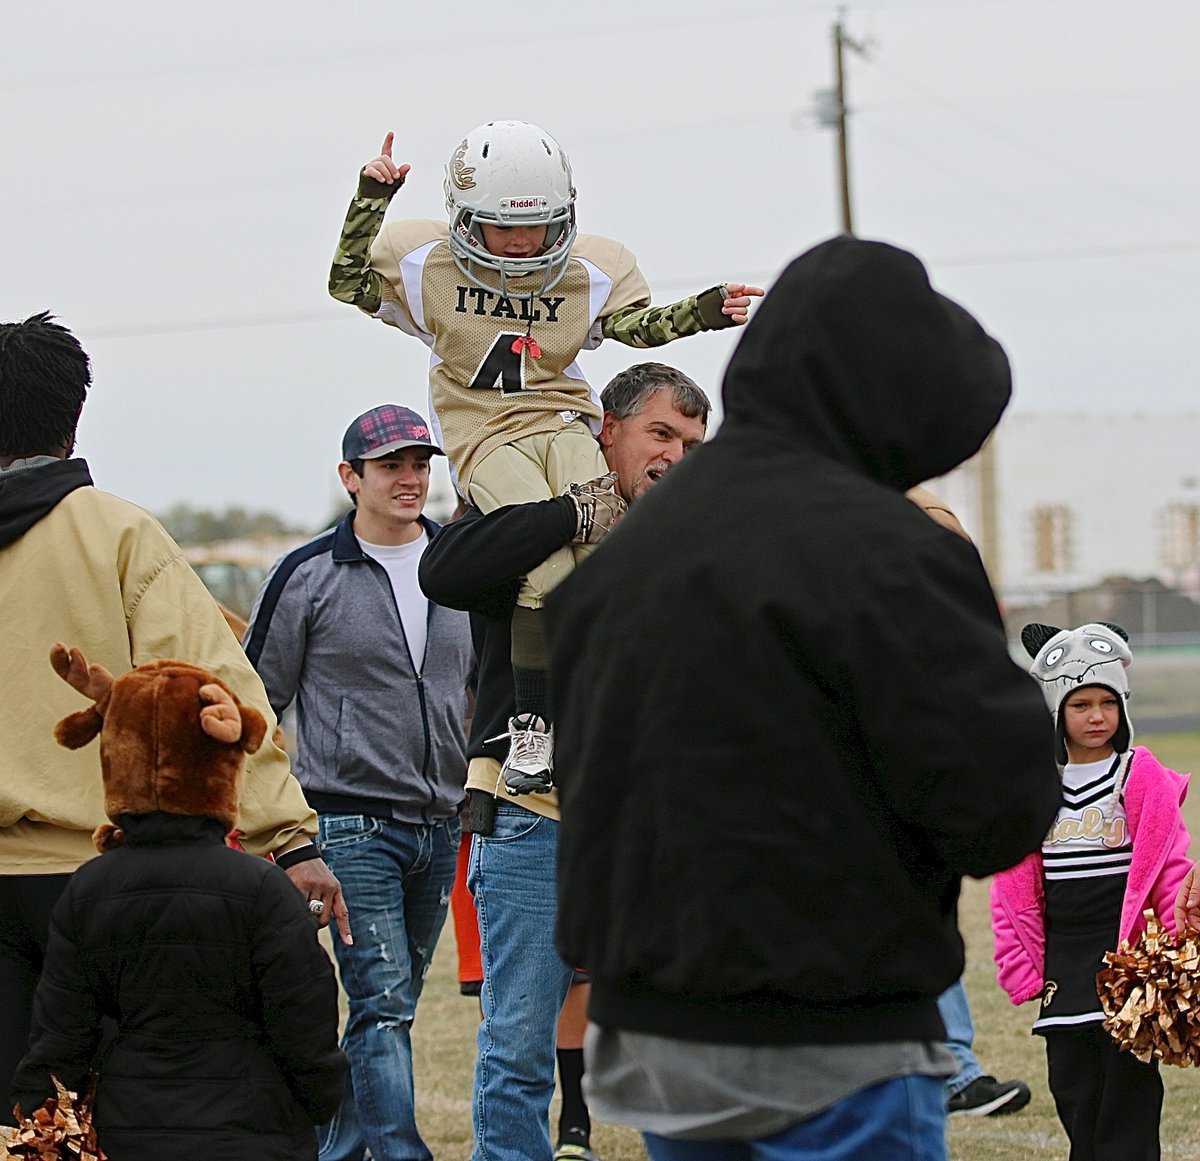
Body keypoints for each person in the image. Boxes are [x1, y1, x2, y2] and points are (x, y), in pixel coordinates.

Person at [541, 237, 1063, 1161]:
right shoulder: (886, 551)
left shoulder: (629, 557)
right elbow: (997, 806)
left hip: (659, 1029)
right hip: (838, 1027)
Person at [329, 121, 762, 797]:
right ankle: (534, 718)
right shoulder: (423, 262)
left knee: (607, 552)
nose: (523, 242)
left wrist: (702, 311)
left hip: (563, 417)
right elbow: (346, 282)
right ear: (462, 217)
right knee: (550, 561)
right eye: (503, 227)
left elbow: (633, 327)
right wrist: (370, 199)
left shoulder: (589, 266)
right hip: (485, 432)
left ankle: (625, 702)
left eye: (538, 226)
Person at [0, 311, 345, 1123]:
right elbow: (213, 692)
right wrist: (288, 837)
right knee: (122, 1113)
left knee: (17, 1121)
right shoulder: (119, 535)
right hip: (101, 886)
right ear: (73, 414)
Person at [419, 361, 710, 1161]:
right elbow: (442, 570)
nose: (674, 457)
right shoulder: (532, 509)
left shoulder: (687, 540)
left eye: (691, 442)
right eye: (661, 433)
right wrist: (569, 515)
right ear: (606, 430)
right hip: (535, 817)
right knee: (517, 1046)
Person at [243, 404, 474, 1161]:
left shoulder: (463, 564)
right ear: (352, 478)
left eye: (420, 464)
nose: (410, 479)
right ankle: (401, 1154)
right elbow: (252, 703)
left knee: (392, 1008)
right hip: (348, 825)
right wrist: (278, 829)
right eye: (389, 466)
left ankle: (336, 1151)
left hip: (442, 822)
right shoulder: (307, 574)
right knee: (380, 1004)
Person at [11, 646, 348, 1160]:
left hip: (132, 1126)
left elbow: (61, 1030)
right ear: (221, 762)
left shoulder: (91, 889)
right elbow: (305, 1016)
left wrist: (39, 1117)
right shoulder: (260, 889)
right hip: (253, 1128)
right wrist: (315, 1100)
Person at [992, 622, 1191, 1159]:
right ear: (1057, 712)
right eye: (1081, 705)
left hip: (1126, 961)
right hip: (1065, 961)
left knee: (1129, 1096)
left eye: (1108, 702)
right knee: (1075, 1092)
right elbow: (1010, 885)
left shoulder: (1137, 773)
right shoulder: (1037, 786)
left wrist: (1181, 943)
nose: (1097, 716)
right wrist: (1019, 959)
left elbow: (1169, 863)